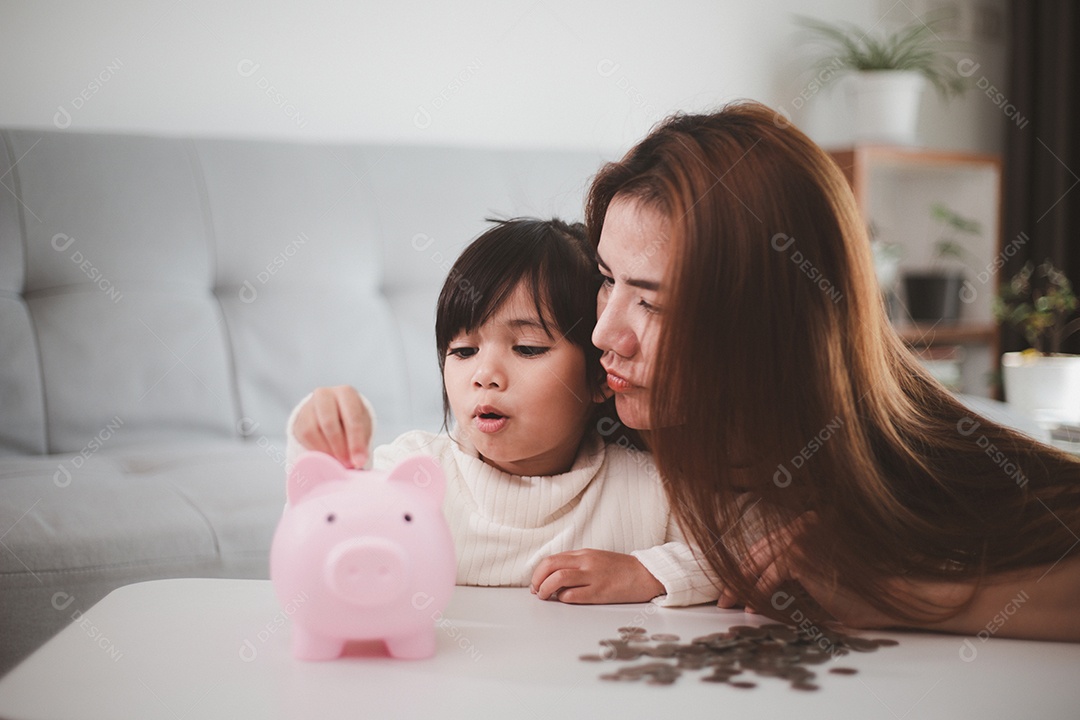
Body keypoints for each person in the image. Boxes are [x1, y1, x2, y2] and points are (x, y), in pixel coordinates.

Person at [586, 101, 1080, 640]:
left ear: (773, 324)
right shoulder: (587, 419)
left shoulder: (921, 474)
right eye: (608, 279)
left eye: (654, 304)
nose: (604, 336)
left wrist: (895, 595)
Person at [286, 217, 723, 606]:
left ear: (598, 376)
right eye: (463, 350)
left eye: (528, 348)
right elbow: (311, 545)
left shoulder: (649, 490)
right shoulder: (412, 474)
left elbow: (750, 554)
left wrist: (646, 573)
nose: (485, 375)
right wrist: (318, 436)